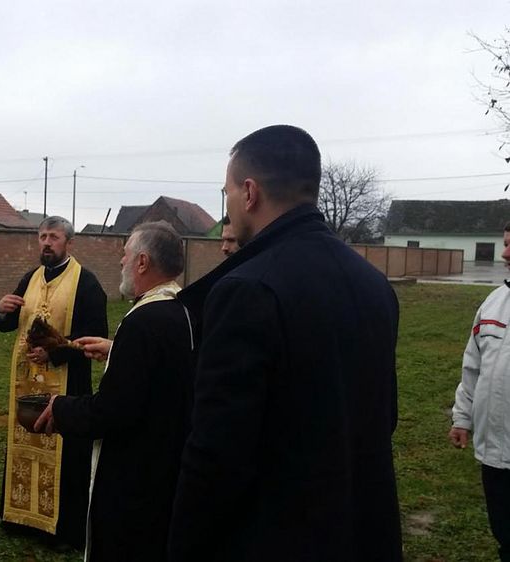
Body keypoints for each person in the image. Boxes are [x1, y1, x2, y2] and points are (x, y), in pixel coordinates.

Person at [168, 125, 402, 561]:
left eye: (227, 193)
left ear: (249, 193)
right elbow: (383, 414)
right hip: (362, 530)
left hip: (279, 537)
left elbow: (218, 453)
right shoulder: (373, 283)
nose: (228, 206)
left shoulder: (247, 290)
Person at [33, 220, 194, 561]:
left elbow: (112, 411)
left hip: (136, 476)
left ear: (142, 262)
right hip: (168, 464)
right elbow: (160, 368)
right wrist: (116, 349)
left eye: (125, 254)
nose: (121, 261)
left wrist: (60, 407)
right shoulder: (181, 309)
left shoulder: (142, 322)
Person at [0, 215, 108, 549]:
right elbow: (7, 322)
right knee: (26, 442)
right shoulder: (30, 278)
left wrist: (54, 352)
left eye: (53, 237)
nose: (46, 242)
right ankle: (21, 518)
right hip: (27, 381)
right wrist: (0, 309)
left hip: (67, 383)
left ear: (69, 242)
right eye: (42, 236)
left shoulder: (87, 283)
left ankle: (61, 529)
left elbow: (95, 336)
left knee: (65, 452)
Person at [449, 221, 510, 561]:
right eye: (505, 243)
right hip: (495, 454)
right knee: (505, 534)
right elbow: (472, 367)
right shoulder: (493, 303)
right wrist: (462, 418)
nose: (505, 253)